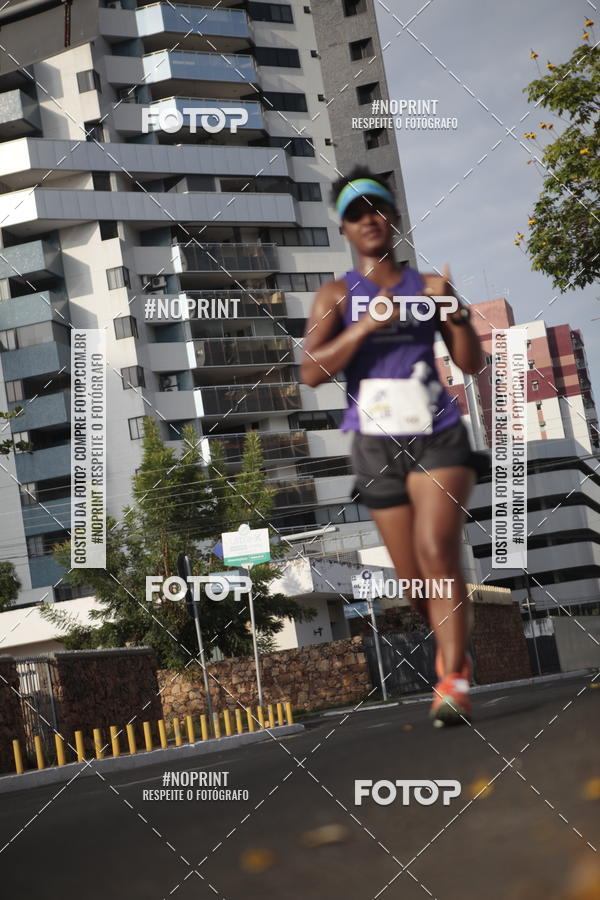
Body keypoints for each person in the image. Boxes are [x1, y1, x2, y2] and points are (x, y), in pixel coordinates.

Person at [301, 166, 489, 727]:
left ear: (394, 218)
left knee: (437, 549)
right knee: (412, 583)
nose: (369, 220)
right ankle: (454, 645)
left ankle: (452, 676)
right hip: (374, 444)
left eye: (377, 209)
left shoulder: (428, 285)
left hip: (438, 434)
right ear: (345, 229)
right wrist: (361, 328)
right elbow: (310, 373)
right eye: (356, 214)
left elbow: (471, 362)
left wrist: (452, 311)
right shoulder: (336, 295)